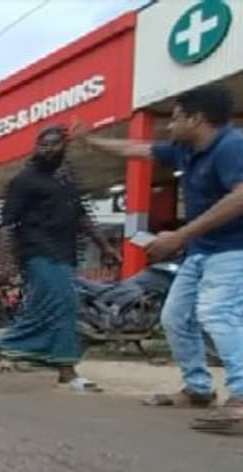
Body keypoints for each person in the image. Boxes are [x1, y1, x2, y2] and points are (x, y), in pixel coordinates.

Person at [82, 84, 243, 430]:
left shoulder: (232, 146)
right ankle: (198, 389)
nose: (168, 127)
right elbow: (135, 148)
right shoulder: (187, 150)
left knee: (218, 313)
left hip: (234, 250)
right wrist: (91, 141)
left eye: (175, 119)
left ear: (197, 119)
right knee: (175, 317)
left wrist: (181, 235)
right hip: (201, 252)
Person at [0, 125, 111, 392]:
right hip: (38, 252)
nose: (48, 149)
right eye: (43, 144)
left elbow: (83, 217)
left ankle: (61, 369)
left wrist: (105, 246)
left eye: (54, 144)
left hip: (64, 253)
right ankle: (4, 346)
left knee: (58, 308)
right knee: (62, 304)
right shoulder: (24, 181)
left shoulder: (67, 181)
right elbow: (6, 225)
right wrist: (4, 268)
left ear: (65, 147)